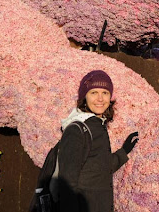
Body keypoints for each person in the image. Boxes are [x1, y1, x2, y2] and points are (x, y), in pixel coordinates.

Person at [55, 70, 138, 212]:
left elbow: (99, 169)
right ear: (84, 97)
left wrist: (124, 152)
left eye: (105, 93)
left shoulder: (97, 126)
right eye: (93, 93)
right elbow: (67, 184)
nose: (100, 99)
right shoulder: (77, 130)